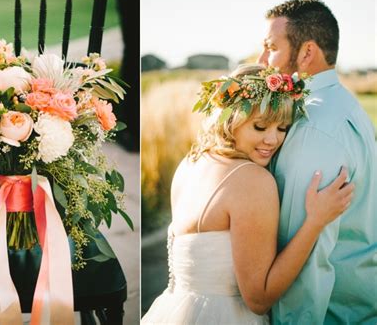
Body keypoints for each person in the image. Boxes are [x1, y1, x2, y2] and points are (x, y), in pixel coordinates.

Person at [141, 64, 354, 324]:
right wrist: (315, 222)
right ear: (231, 119)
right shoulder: (253, 181)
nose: (273, 140)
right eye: (260, 127)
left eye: (282, 128)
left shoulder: (190, 163)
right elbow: (259, 299)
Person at [258, 0, 376, 324]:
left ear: (307, 52)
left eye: (271, 47)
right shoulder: (347, 107)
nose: (261, 59)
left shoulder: (314, 128)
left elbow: (307, 262)